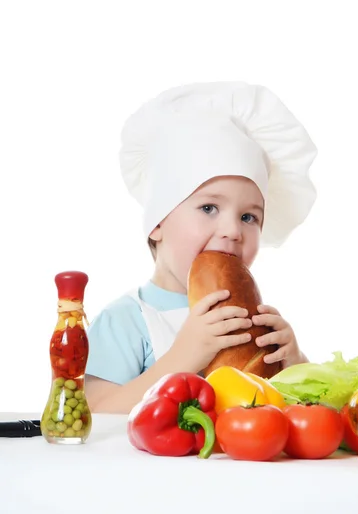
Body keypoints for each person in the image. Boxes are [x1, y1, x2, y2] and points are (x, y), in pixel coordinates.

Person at [85, 82, 317, 414]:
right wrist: (183, 356)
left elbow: (296, 419)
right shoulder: (124, 321)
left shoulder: (255, 322)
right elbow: (94, 414)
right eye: (209, 208)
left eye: (249, 216)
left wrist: (293, 364)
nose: (233, 230)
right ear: (157, 222)